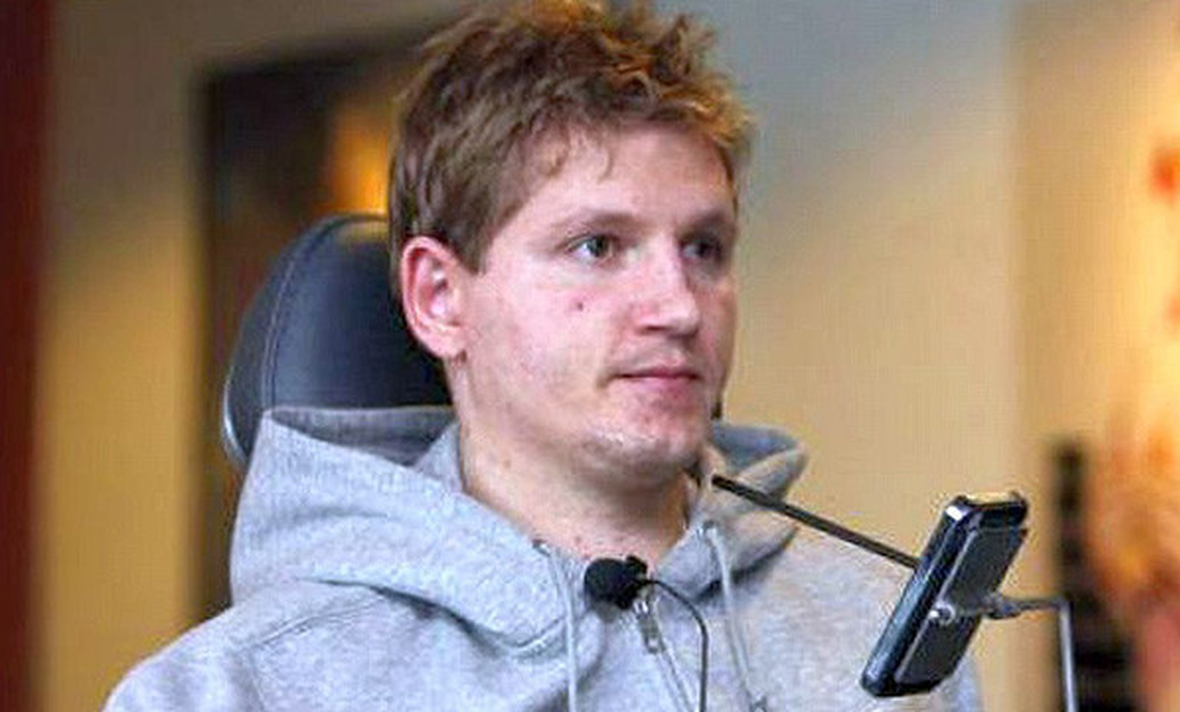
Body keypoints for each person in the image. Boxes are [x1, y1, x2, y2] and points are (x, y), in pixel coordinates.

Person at [106, 1, 981, 710]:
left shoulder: (882, 631)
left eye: (705, 248)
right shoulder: (232, 691)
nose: (679, 307)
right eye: (598, 246)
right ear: (439, 298)